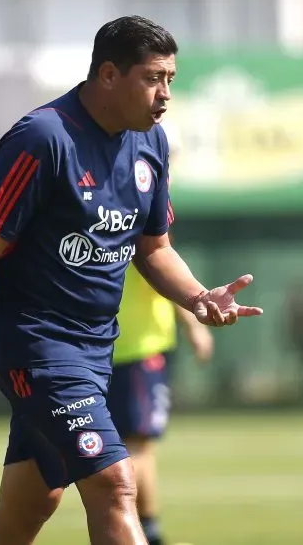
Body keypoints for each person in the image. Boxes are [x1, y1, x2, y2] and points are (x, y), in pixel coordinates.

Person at [0, 15, 263, 545]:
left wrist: (199, 297)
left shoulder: (150, 145)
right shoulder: (42, 138)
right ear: (108, 75)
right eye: (153, 78)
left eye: (171, 80)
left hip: (94, 351)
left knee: (30, 503)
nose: (165, 94)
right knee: (115, 483)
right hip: (34, 345)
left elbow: (153, 249)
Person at [107, 129, 214, 545]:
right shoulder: (133, 205)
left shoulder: (123, 201)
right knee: (136, 447)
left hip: (110, 344)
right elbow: (157, 271)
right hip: (138, 344)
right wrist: (193, 323)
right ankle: (148, 533)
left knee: (125, 447)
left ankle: (136, 528)